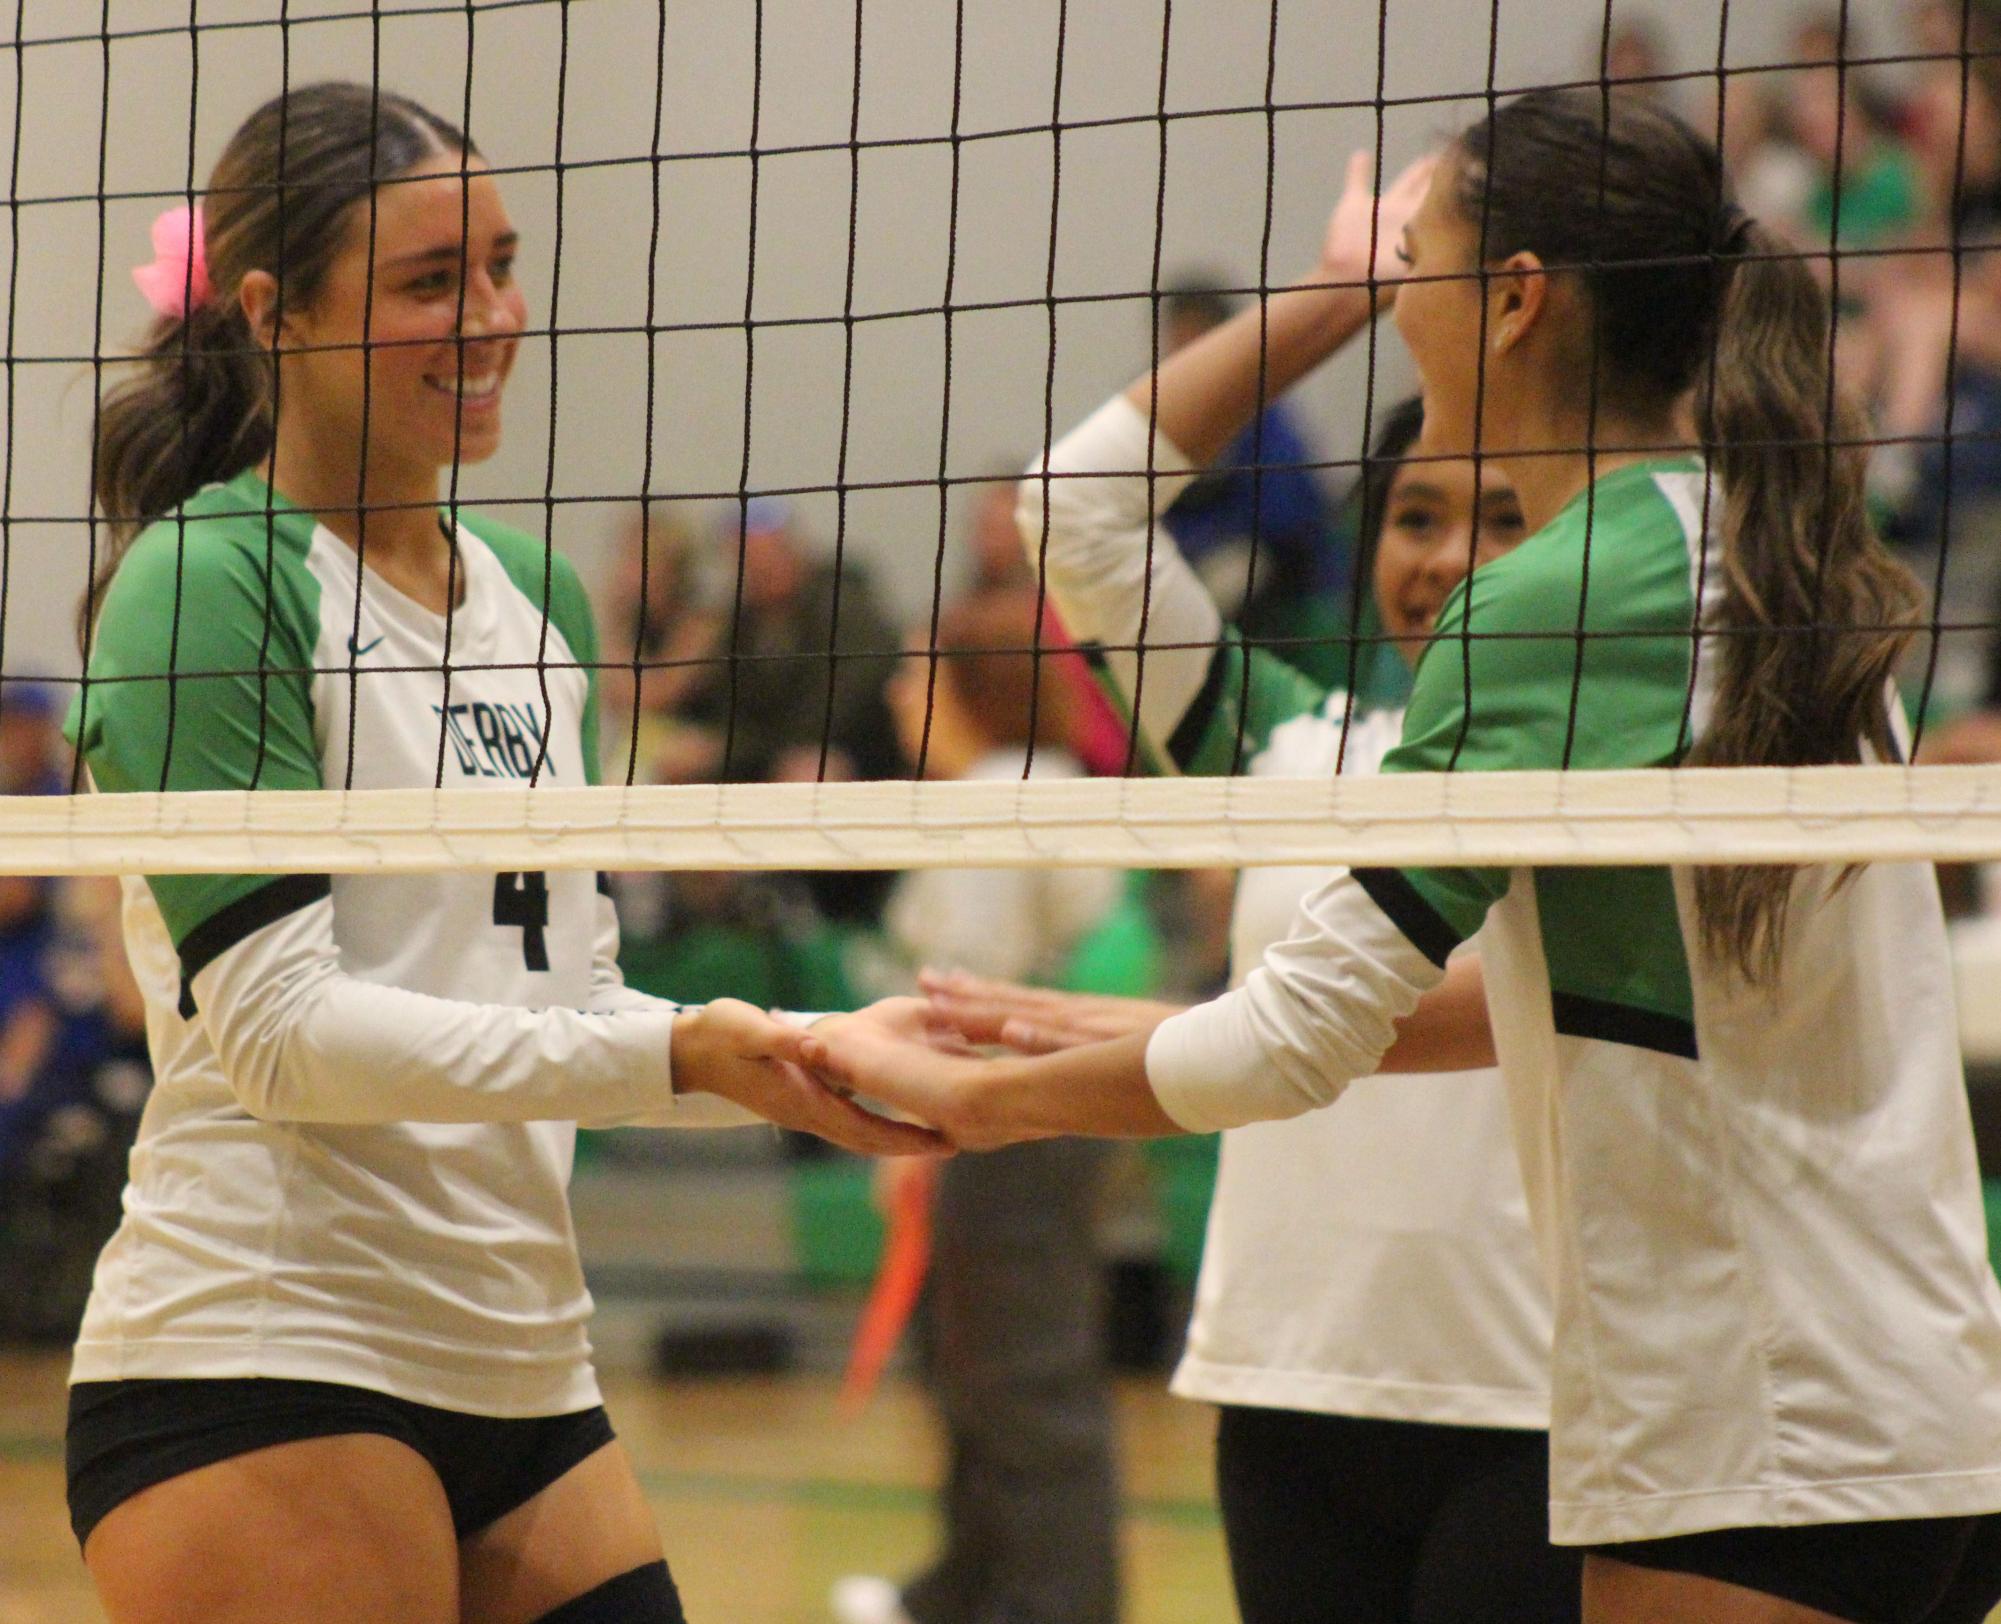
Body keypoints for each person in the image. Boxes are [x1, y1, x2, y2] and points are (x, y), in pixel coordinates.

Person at [810, 90, 2001, 1624]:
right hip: (1905, 1404)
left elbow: (1300, 1041)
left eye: (1411, 270)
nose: (1393, 308)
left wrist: (976, 1102)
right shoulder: (1772, 559)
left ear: (1513, 301)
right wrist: (1104, 1036)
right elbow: (1626, 996)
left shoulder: (1561, 607)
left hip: (1744, 1424)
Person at [66, 81, 936, 1624]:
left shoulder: (536, 599)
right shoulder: (208, 582)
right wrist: (686, 1059)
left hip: (523, 1355)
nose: (489, 318)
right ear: (276, 313)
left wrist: (794, 1053)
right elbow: (277, 1037)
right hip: (268, 1348)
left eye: (501, 265)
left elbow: (571, 1000)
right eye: (426, 281)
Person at [931, 356, 1573, 1620]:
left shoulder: (1610, 764)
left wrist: (1207, 1035)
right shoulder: (1290, 744)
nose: (1446, 557)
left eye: (1502, 519)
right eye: (1417, 516)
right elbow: (1077, 512)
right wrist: (1345, 291)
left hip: (1535, 1399)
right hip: (1288, 1386)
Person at [833, 589, 1128, 1624]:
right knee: (979, 1363)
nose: (900, 694)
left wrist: (913, 1140)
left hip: (1011, 1119)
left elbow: (969, 1001)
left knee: (1023, 1376)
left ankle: (1050, 1605)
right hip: (1037, 1115)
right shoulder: (1024, 782)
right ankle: (968, 1588)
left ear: (972, 687)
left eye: (919, 673)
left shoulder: (1008, 791)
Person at [1153, 278, 1346, 681]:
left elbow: (1290, 522)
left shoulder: (1264, 414)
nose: (1186, 354)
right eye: (1177, 341)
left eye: (1197, 339)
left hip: (1285, 604)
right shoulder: (1157, 416)